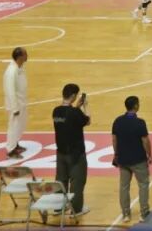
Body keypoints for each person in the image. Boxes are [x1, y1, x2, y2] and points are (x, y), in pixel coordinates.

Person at [112, 96, 152, 222]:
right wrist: (150, 155)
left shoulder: (118, 121)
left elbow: (114, 140)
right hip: (138, 159)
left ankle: (125, 214)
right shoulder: (140, 123)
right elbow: (145, 141)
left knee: (124, 186)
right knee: (143, 185)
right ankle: (144, 212)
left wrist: (116, 154)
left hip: (123, 160)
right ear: (135, 106)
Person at [52, 83, 91, 216]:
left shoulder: (56, 111)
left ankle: (58, 207)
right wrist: (85, 106)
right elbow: (87, 120)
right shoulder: (75, 113)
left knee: (60, 180)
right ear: (74, 96)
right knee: (77, 182)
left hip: (61, 152)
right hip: (75, 153)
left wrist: (76, 107)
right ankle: (76, 209)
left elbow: (69, 118)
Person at [3, 47, 29, 158]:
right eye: (25, 54)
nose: (27, 56)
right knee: (14, 126)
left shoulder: (19, 67)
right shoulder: (12, 71)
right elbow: (10, 91)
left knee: (20, 125)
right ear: (20, 57)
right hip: (16, 105)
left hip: (21, 102)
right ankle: (10, 150)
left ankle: (15, 144)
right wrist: (15, 108)